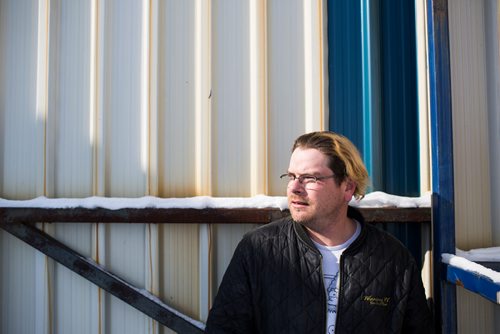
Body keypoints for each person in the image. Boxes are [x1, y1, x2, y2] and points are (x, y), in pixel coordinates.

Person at [205, 131, 433, 334]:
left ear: (347, 187)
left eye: (310, 178)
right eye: (292, 177)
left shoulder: (392, 258)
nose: (294, 188)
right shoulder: (259, 249)